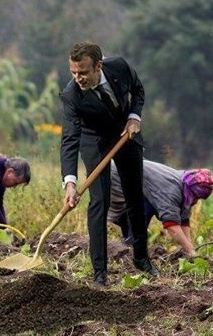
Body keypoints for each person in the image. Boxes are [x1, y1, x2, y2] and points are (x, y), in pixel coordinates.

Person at [60, 41, 158, 286]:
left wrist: (134, 117)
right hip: (95, 142)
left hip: (127, 134)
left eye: (83, 72)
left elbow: (138, 90)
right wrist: (69, 182)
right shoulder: (71, 95)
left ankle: (141, 257)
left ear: (99, 65)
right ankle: (100, 272)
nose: (77, 78)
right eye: (73, 72)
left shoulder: (120, 67)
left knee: (134, 197)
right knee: (100, 202)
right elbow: (70, 139)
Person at [110, 161, 213, 257]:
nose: (195, 201)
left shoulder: (186, 184)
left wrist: (189, 246)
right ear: (192, 192)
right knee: (138, 209)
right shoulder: (171, 191)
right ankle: (129, 249)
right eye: (196, 197)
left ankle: (130, 248)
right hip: (118, 174)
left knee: (141, 208)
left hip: (135, 179)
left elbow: (183, 219)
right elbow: (172, 226)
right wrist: (191, 251)